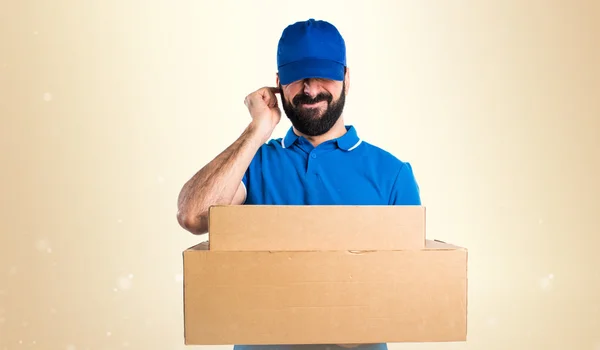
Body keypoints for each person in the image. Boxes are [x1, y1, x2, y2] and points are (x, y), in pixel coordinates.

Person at [177, 18, 421, 350]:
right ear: (278, 84)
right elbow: (193, 216)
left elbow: (413, 289)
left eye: (323, 74)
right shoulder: (254, 163)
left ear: (346, 77)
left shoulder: (391, 174)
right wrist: (258, 129)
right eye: (297, 77)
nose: (310, 89)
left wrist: (339, 316)